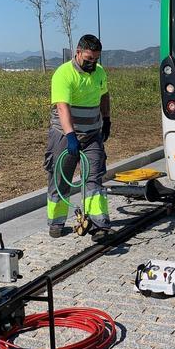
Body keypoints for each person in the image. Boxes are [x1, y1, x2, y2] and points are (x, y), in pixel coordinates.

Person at [45, 34, 112, 241]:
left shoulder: (99, 72)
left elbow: (104, 96)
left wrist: (107, 119)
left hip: (92, 135)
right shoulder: (63, 73)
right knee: (60, 178)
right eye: (88, 59)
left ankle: (99, 224)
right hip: (64, 135)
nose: (92, 63)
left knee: (94, 178)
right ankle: (56, 222)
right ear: (78, 52)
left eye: (96, 59)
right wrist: (71, 135)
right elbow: (62, 107)